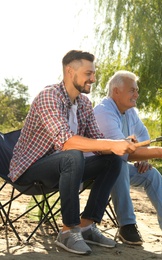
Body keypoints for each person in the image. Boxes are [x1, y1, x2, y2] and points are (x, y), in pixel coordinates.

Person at [8, 50, 137, 255]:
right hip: (30, 170)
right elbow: (66, 142)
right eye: (88, 74)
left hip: (64, 169)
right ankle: (68, 232)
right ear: (70, 71)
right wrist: (110, 144)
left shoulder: (85, 103)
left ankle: (86, 226)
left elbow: (97, 142)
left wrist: (120, 143)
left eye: (94, 73)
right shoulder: (49, 96)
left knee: (112, 159)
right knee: (73, 154)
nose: (93, 79)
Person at [94, 70, 162, 245]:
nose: (137, 94)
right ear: (116, 91)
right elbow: (121, 151)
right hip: (92, 171)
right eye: (132, 90)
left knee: (151, 175)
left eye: (137, 90)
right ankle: (127, 225)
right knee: (118, 163)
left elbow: (144, 137)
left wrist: (144, 159)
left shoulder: (129, 112)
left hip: (114, 168)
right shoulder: (104, 112)